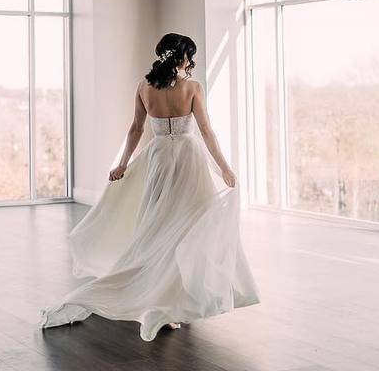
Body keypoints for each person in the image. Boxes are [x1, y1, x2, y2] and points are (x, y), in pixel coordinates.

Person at [40, 33, 259, 341]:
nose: (190, 62)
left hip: (158, 158)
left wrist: (123, 163)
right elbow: (206, 131)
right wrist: (224, 167)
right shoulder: (193, 88)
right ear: (183, 58)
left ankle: (162, 302)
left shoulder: (144, 87)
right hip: (187, 159)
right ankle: (167, 303)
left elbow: (136, 129)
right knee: (187, 227)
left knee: (158, 225)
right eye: (189, 56)